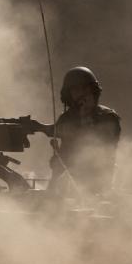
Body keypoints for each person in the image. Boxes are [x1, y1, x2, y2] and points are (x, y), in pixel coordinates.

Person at [42, 66, 121, 195]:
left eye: (84, 89)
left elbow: (101, 152)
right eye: (75, 90)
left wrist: (85, 117)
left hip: (98, 186)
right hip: (67, 185)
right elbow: (64, 154)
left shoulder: (107, 118)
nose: (80, 94)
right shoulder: (67, 118)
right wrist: (57, 160)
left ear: (92, 91)